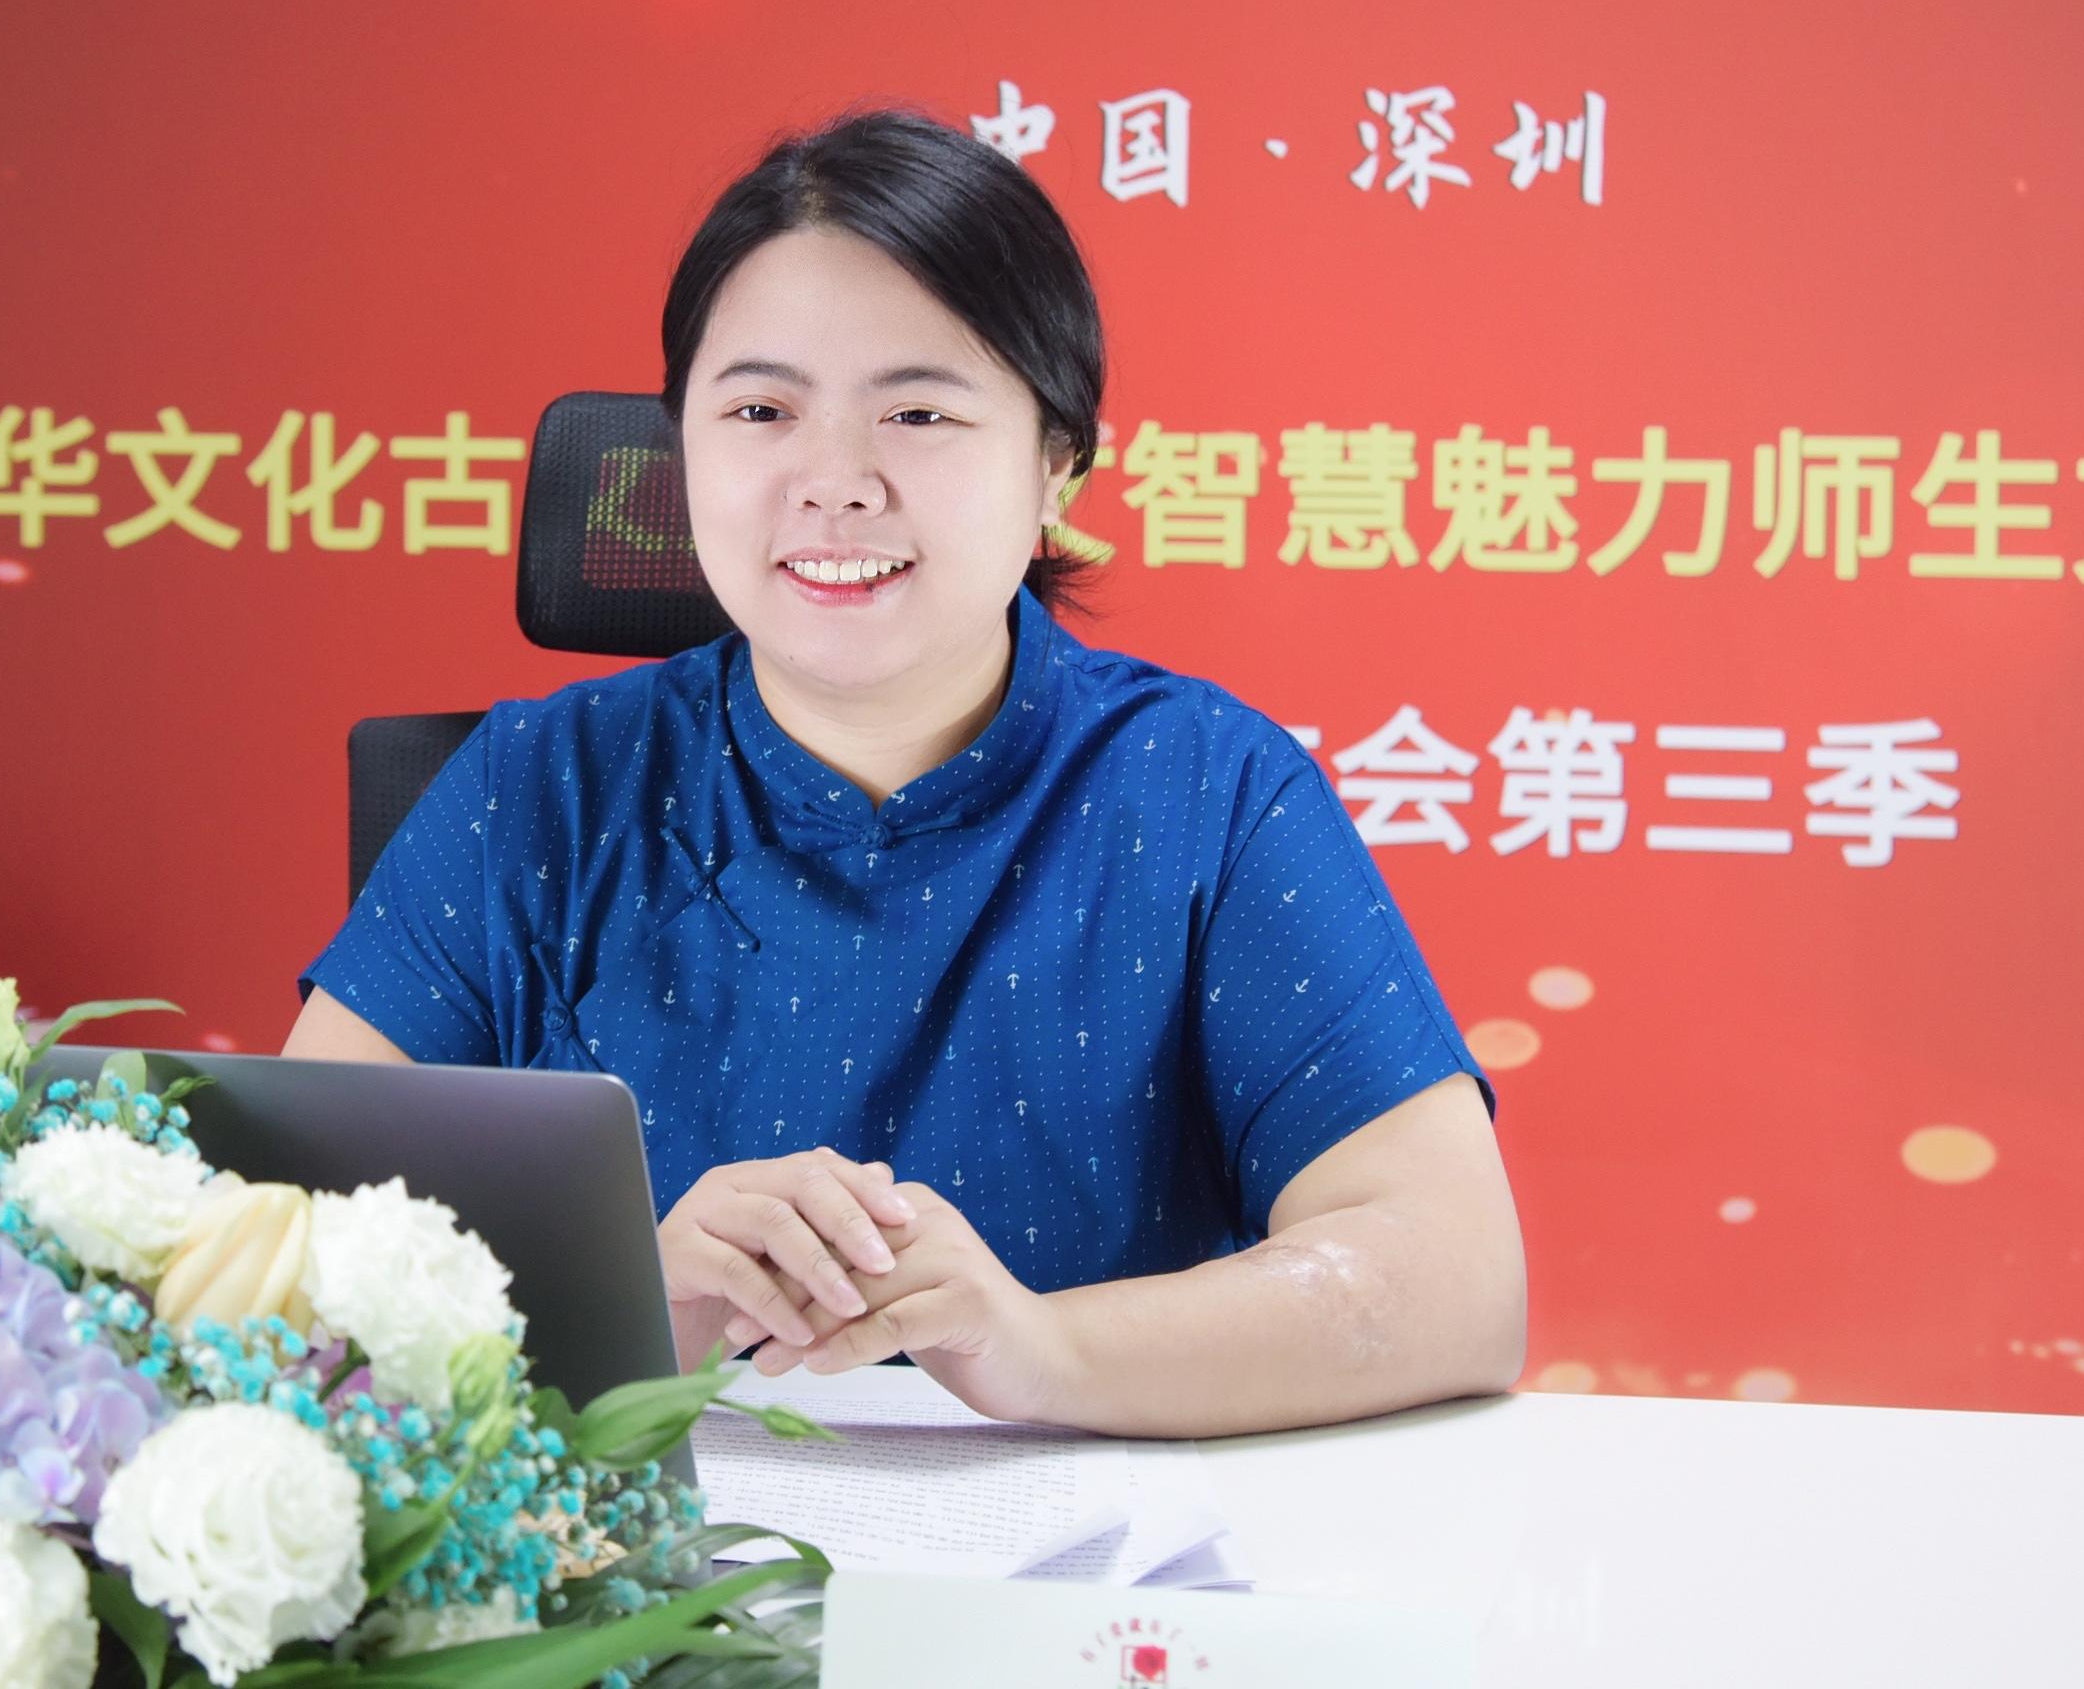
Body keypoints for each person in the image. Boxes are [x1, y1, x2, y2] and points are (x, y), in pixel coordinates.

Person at [288, 109, 1523, 1438]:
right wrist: (620, 1307)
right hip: (620, 1549)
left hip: (1081, 1556)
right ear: (680, 449)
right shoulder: (537, 787)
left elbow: (1454, 1278)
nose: (834, 483)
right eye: (761, 410)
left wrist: (1046, 1349)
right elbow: (263, 1261)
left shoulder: (1205, 793)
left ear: (1055, 464)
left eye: (920, 412)